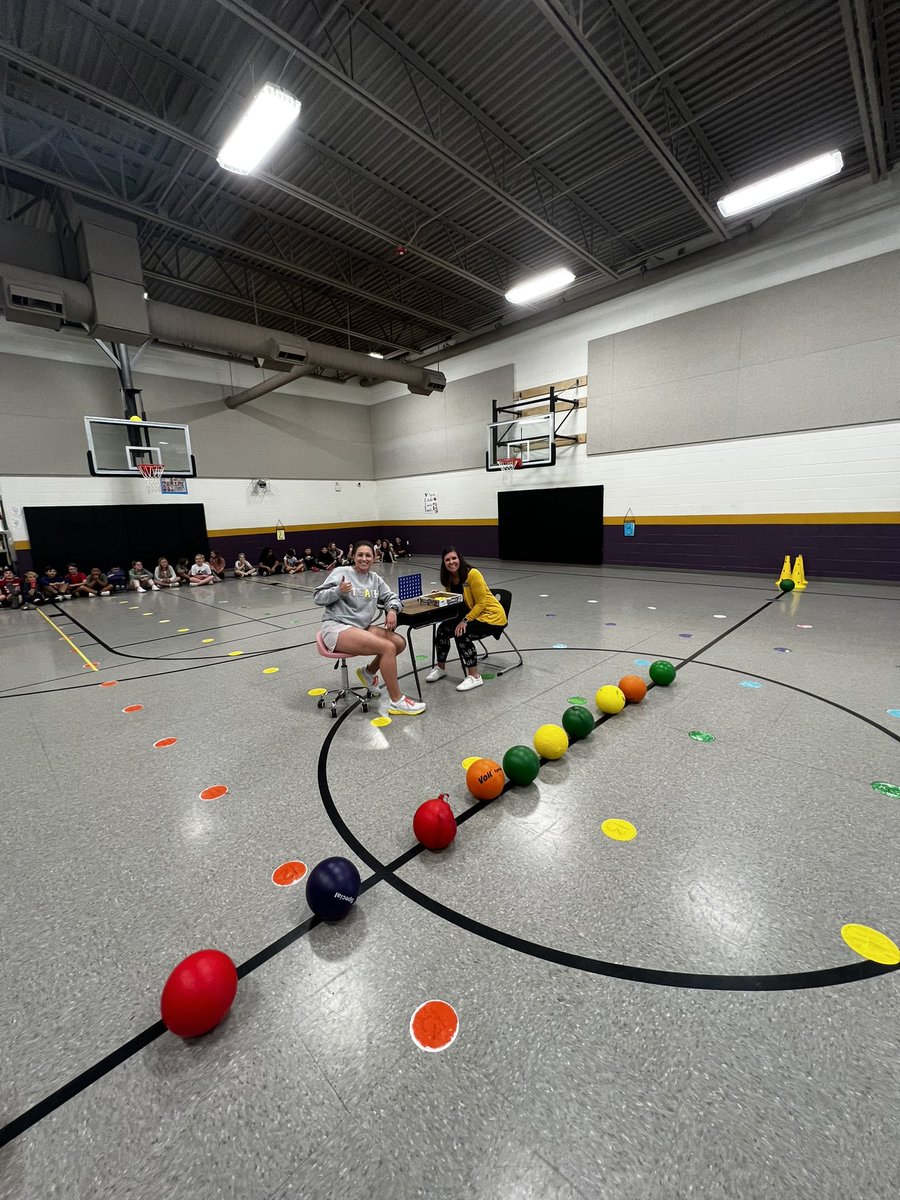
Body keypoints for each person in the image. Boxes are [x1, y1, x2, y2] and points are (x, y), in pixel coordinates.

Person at [314, 540, 425, 717]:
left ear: (374, 558)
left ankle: (368, 673)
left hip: (361, 627)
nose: (364, 559)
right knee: (387, 647)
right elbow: (318, 597)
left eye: (368, 555)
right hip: (336, 627)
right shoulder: (341, 572)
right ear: (353, 556)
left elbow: (391, 597)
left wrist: (392, 610)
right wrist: (338, 591)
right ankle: (397, 701)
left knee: (398, 643)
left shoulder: (375, 579)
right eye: (360, 555)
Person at [425, 547, 507, 692]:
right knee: (442, 629)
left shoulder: (473, 574)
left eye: (454, 558)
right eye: (447, 560)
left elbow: (481, 603)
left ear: (459, 559)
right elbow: (456, 598)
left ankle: (475, 676)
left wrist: (465, 621)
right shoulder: (449, 578)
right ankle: (440, 668)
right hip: (471, 615)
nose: (451, 562)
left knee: (461, 633)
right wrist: (442, 594)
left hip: (491, 616)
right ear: (444, 563)